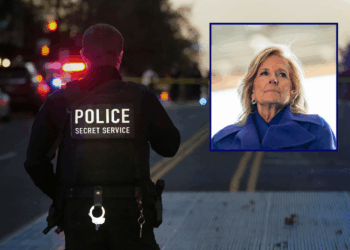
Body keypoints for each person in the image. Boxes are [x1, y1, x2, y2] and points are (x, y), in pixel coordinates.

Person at [24, 23, 181, 250]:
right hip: (131, 213)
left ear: (85, 56)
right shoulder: (139, 98)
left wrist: (64, 195)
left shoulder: (59, 102)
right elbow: (170, 146)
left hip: (78, 214)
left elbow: (34, 162)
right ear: (120, 56)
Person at [211, 45, 336, 150]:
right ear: (251, 91)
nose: (273, 79)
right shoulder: (221, 141)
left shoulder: (316, 130)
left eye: (282, 74)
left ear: (293, 91)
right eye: (264, 73)